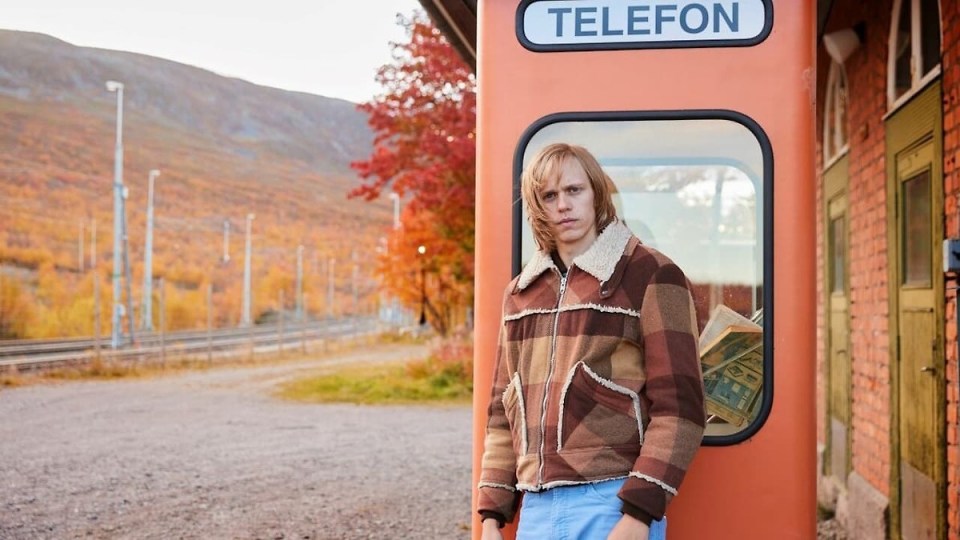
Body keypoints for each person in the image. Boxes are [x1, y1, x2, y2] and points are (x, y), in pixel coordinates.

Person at [477, 143, 706, 540]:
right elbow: (502, 410)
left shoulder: (651, 274)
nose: (563, 205)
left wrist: (638, 513)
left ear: (597, 193)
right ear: (538, 207)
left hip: (613, 501)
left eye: (574, 190)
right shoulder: (521, 293)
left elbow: (680, 407)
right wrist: (491, 516)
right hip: (535, 506)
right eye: (549, 196)